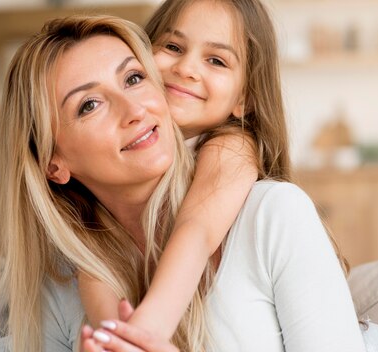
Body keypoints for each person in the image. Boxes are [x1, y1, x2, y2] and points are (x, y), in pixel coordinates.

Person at [0, 13, 372, 352]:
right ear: (53, 163)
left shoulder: (272, 214)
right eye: (89, 105)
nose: (135, 110)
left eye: (133, 78)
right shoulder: (59, 282)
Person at [77, 0, 320, 345]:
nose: (187, 68)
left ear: (245, 98)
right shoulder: (110, 171)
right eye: (173, 47)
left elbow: (197, 230)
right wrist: (117, 338)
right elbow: (95, 257)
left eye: (217, 60)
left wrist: (147, 329)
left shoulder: (231, 147)